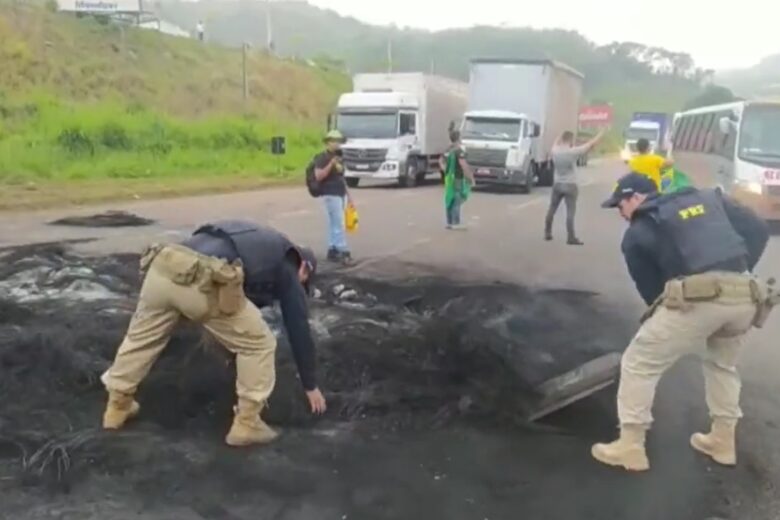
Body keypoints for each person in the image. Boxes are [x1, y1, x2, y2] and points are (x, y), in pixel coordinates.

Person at [592, 173, 771, 472]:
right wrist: (737, 270)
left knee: (639, 362)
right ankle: (723, 441)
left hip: (700, 300)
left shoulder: (639, 230)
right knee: (722, 365)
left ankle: (631, 446)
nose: (621, 214)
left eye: (619, 205)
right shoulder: (708, 198)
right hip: (747, 296)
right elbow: (757, 229)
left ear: (635, 198)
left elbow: (653, 294)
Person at [100, 220, 326, 448]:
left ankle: (118, 405)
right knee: (259, 343)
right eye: (304, 283)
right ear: (304, 268)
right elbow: (298, 326)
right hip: (203, 278)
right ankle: (247, 423)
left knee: (141, 340)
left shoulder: (258, 240)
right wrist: (310, 385)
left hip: (165, 264)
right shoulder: (288, 264)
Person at [545, 128, 607, 245]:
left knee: (552, 209)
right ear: (570, 140)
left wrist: (558, 136)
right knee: (570, 212)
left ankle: (547, 232)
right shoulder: (572, 152)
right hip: (570, 184)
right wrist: (601, 134)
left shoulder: (555, 151)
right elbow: (590, 144)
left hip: (557, 183)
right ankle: (571, 237)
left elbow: (555, 143)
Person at [313, 130, 354, 263]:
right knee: (338, 222)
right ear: (328, 142)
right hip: (330, 193)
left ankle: (333, 248)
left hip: (340, 192)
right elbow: (318, 176)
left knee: (334, 223)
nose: (337, 144)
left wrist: (349, 197)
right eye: (334, 141)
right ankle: (341, 249)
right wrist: (331, 164)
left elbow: (342, 178)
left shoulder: (341, 158)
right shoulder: (321, 158)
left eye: (339, 141)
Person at [439, 130, 474, 230]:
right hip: (457, 178)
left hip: (448, 178)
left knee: (449, 198)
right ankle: (456, 223)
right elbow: (463, 165)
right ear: (458, 138)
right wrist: (470, 178)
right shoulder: (459, 151)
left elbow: (441, 161)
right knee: (457, 199)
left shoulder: (447, 150)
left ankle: (449, 222)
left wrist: (446, 170)